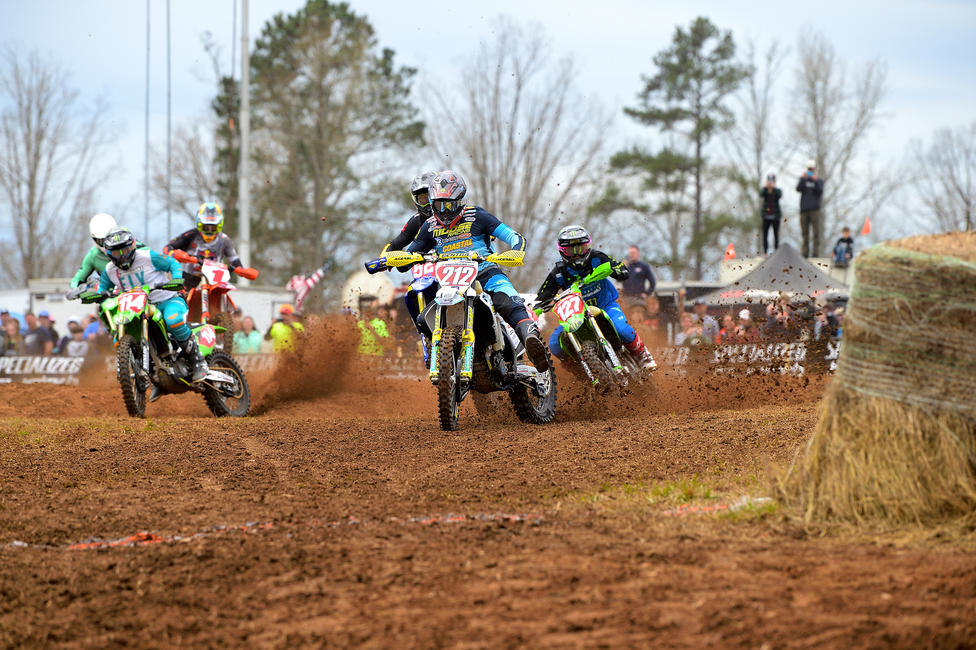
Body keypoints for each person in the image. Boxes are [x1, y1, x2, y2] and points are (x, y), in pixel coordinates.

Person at [402, 170, 549, 370]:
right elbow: (411, 254)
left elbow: (514, 236)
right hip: (449, 279)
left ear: (460, 201)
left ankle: (530, 338)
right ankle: (443, 353)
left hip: (484, 272)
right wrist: (396, 260)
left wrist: (516, 251)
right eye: (438, 205)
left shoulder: (477, 216)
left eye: (449, 205)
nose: (444, 211)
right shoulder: (429, 226)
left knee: (507, 301)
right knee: (423, 318)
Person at [97, 227, 208, 388]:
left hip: (167, 300)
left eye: (125, 250)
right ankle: (150, 372)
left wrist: (176, 279)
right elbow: (102, 288)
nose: (122, 255)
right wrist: (96, 295)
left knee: (173, 321)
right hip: (136, 308)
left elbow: (172, 263)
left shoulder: (147, 256)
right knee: (119, 335)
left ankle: (198, 361)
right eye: (116, 252)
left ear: (133, 246)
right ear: (108, 253)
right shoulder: (109, 270)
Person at [535, 225, 657, 371]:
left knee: (622, 330)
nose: (577, 254)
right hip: (575, 315)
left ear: (587, 247)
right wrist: (536, 308)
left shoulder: (597, 258)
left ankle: (643, 355)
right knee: (555, 345)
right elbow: (541, 297)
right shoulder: (559, 273)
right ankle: (578, 370)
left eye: (580, 249)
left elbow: (621, 270)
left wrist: (616, 269)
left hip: (605, 306)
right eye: (571, 250)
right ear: (563, 251)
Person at [163, 202, 256, 290]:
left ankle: (225, 302)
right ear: (199, 224)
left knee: (222, 290)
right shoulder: (191, 235)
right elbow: (168, 248)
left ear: (219, 225)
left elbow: (234, 259)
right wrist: (175, 254)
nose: (209, 230)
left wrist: (241, 270)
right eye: (206, 227)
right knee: (178, 293)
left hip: (215, 278)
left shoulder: (224, 240)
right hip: (188, 276)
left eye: (213, 228)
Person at [796, 159, 825, 258]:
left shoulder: (819, 181)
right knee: (805, 233)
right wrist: (802, 179)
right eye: (809, 169)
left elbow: (820, 191)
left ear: (815, 169)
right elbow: (798, 189)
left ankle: (815, 254)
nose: (810, 171)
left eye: (812, 169)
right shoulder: (804, 180)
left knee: (816, 233)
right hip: (804, 210)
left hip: (815, 210)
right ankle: (805, 254)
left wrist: (815, 181)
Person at [760, 174, 783, 254]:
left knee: (776, 234)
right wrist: (766, 187)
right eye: (769, 181)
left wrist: (773, 188)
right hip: (766, 216)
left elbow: (779, 195)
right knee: (765, 235)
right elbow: (761, 194)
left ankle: (777, 252)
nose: (770, 182)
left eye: (772, 181)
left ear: (774, 181)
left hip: (775, 216)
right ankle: (765, 252)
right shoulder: (765, 190)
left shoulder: (777, 190)